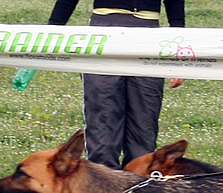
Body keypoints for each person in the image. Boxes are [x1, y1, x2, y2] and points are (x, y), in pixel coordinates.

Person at [48, 1, 185, 168]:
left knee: (144, 118)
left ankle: (138, 183)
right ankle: (102, 181)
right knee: (103, 116)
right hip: (104, 32)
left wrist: (179, 54)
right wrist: (51, 31)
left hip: (149, 34)